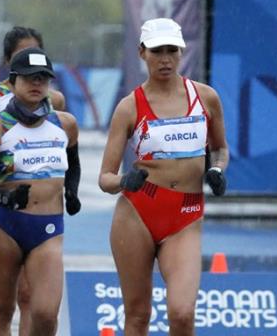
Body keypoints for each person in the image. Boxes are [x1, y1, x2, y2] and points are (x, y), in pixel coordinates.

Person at [99, 18, 228, 336]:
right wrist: (124, 181)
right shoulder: (129, 107)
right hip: (137, 215)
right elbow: (105, 177)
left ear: (182, 52)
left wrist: (217, 170)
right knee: (138, 317)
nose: (166, 59)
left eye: (172, 50)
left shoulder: (206, 98)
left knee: (183, 314)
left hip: (185, 216)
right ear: (142, 53)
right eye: (158, 51)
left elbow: (221, 149)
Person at [0, 47, 80, 335]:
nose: (37, 84)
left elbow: (74, 167)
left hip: (47, 230)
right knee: (0, 311)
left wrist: (72, 192)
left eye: (43, 79)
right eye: (30, 78)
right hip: (5, 228)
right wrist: (6, 197)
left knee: (45, 315)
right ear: (14, 81)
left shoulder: (65, 124)